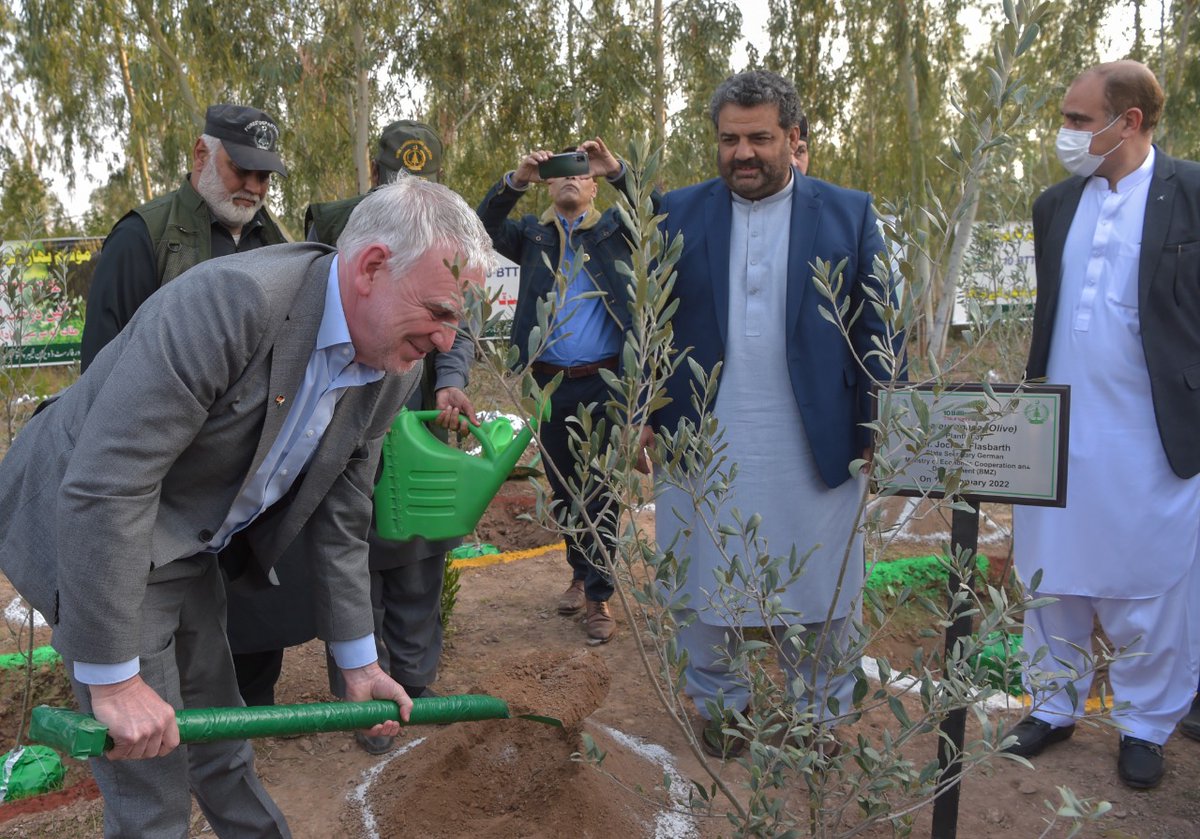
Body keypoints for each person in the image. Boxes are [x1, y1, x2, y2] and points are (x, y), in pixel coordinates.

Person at [0, 177, 494, 836]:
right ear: (374, 266)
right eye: (439, 310)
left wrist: (359, 663)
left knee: (222, 748)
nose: (444, 340)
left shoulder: (388, 370)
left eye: (455, 320)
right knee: (153, 787)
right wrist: (114, 680)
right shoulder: (233, 304)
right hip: (93, 521)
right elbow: (107, 481)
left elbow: (345, 519)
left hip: (182, 536)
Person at [643, 70, 898, 758]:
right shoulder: (675, 212)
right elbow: (645, 322)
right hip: (703, 438)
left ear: (793, 137)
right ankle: (723, 706)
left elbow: (879, 329)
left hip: (816, 439)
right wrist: (643, 410)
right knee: (701, 569)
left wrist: (881, 422)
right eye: (729, 139)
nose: (742, 153)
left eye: (759, 137)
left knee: (818, 577)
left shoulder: (848, 212)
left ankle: (817, 716)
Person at [225, 120, 474, 758]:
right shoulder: (285, 269)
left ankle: (401, 687)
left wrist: (448, 378)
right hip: (301, 451)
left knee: (413, 564)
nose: (444, 335)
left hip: (410, 442)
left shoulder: (414, 345)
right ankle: (348, 697)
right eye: (397, 177)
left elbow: (455, 330)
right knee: (345, 560)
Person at [1003, 60, 1200, 790]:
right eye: (1066, 118)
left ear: (1131, 122)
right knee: (1052, 574)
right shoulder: (1054, 202)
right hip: (1059, 423)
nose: (1066, 133)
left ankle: (1145, 723)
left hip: (1152, 431)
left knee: (1149, 581)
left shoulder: (1193, 193)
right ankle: (1052, 706)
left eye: (1080, 121)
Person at [476, 138, 636, 645]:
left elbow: (661, 220)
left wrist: (618, 170)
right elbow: (481, 231)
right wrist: (515, 180)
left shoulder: (614, 230)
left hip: (606, 381)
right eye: (562, 170)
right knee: (564, 486)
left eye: (583, 171)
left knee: (602, 489)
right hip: (547, 384)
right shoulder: (531, 234)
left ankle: (599, 596)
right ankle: (577, 571)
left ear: (592, 184)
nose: (573, 177)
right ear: (549, 181)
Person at [80, 103, 288, 370]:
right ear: (201, 155)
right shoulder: (140, 236)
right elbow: (99, 368)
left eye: (264, 176)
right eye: (240, 169)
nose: (253, 187)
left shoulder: (273, 242)